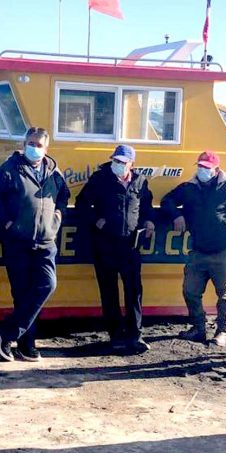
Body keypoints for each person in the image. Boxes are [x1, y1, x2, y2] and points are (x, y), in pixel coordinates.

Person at [0, 127, 70, 362]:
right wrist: (8, 224)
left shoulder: (54, 171)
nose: (34, 148)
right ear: (24, 144)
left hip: (46, 240)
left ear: (46, 148)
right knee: (22, 294)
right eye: (30, 143)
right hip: (17, 242)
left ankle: (6, 332)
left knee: (47, 285)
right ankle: (26, 344)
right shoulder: (9, 169)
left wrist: (58, 217)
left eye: (39, 144)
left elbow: (63, 196)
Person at [161, 150, 226, 346]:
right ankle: (198, 327)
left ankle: (222, 331)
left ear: (216, 169)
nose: (203, 170)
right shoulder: (189, 188)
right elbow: (167, 201)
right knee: (190, 290)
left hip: (225, 250)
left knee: (225, 295)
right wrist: (176, 216)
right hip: (198, 249)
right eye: (200, 166)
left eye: (207, 168)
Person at [76, 144, 154, 353]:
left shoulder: (140, 181)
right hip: (105, 245)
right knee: (109, 291)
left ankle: (135, 334)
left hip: (130, 246)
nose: (118, 165)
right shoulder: (100, 178)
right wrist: (96, 220)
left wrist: (148, 221)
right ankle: (115, 334)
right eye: (115, 161)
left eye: (122, 162)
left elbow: (146, 206)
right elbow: (81, 203)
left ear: (131, 164)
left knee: (134, 291)